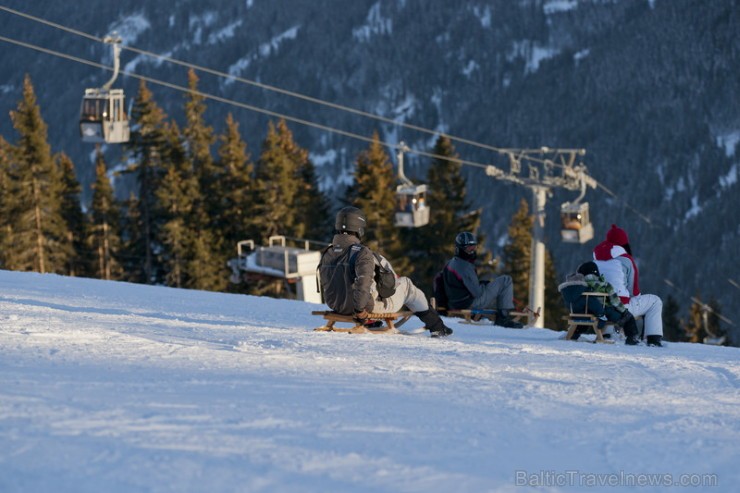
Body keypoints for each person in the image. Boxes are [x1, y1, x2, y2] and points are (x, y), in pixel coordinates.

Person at [318, 206, 453, 337]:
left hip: (337, 306)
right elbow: (363, 282)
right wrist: (359, 310)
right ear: (359, 228)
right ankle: (437, 327)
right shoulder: (361, 252)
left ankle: (372, 322)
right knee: (406, 284)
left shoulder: (328, 252)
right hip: (361, 309)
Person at [593, 224, 664, 347]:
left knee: (607, 298)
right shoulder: (626, 259)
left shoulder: (596, 257)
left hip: (599, 306)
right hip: (621, 308)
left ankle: (607, 333)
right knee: (655, 301)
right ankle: (653, 340)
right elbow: (634, 291)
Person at [439, 232, 523, 328]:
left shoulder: (450, 264)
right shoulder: (465, 267)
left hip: (454, 303)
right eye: (469, 248)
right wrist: (483, 286)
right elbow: (477, 293)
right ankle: (503, 319)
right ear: (460, 248)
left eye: (474, 247)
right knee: (506, 280)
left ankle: (490, 314)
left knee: (492, 291)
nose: (472, 251)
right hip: (468, 303)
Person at [575, 261, 639, 345]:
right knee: (628, 317)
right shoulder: (604, 285)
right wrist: (624, 311)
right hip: (604, 312)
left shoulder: (580, 285)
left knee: (588, 314)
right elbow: (615, 301)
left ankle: (575, 333)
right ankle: (632, 338)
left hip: (584, 311)